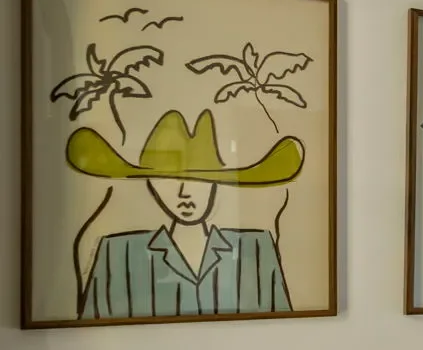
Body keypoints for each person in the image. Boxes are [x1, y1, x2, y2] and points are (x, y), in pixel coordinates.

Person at [66, 109, 302, 319]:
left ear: (215, 185)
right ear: (151, 184)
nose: (184, 193)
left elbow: (284, 329)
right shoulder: (117, 253)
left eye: (198, 180)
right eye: (168, 180)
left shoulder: (257, 248)